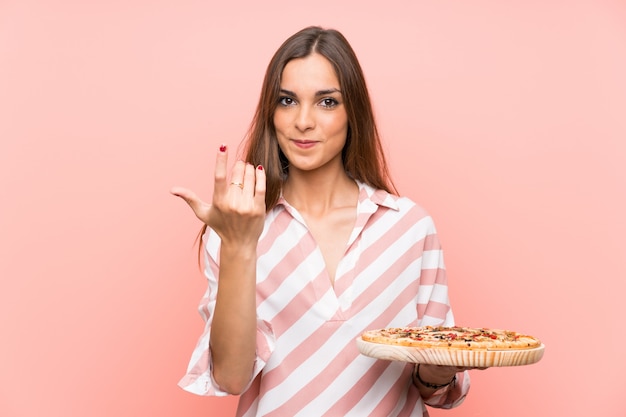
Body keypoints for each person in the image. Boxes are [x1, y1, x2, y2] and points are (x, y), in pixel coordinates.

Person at [172, 26, 476, 417]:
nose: (303, 121)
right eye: (287, 100)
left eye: (327, 102)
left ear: (354, 113)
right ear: (271, 111)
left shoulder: (410, 228)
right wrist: (239, 245)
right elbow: (232, 377)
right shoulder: (238, 229)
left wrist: (437, 372)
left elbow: (438, 385)